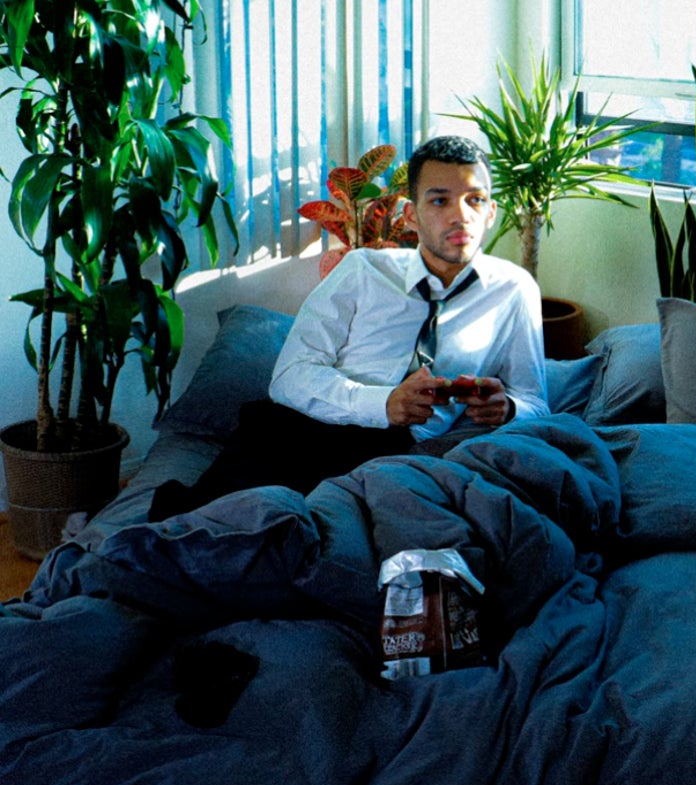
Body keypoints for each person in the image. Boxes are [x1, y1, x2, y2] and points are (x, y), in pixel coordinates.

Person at [148, 135, 548, 521]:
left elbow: (535, 401)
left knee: (300, 541)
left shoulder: (514, 290)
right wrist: (382, 403)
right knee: (200, 529)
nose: (461, 215)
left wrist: (508, 407)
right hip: (303, 430)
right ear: (411, 215)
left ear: (491, 212)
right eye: (439, 200)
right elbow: (289, 378)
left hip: (396, 460)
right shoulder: (361, 270)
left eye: (475, 199)